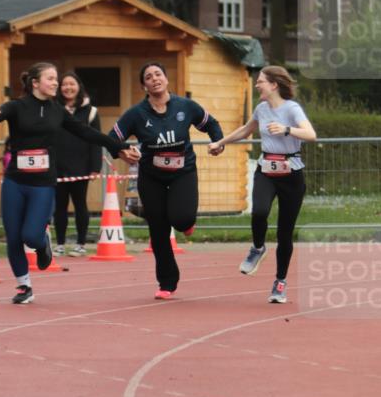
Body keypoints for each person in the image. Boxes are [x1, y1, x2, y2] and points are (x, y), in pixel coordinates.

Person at [0, 62, 138, 304]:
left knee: (31, 236)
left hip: (43, 184)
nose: (56, 83)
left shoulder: (58, 112)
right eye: (50, 78)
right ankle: (24, 286)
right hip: (15, 181)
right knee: (14, 237)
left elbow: (86, 132)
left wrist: (118, 148)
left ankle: (43, 242)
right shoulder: (17, 106)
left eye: (57, 78)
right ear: (35, 83)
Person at [110, 62, 223, 300]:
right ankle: (167, 283)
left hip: (183, 172)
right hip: (151, 177)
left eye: (158, 74)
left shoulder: (186, 106)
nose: (154, 79)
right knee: (159, 230)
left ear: (166, 79)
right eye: (149, 77)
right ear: (145, 85)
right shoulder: (136, 114)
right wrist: (121, 151)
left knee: (181, 219)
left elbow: (211, 124)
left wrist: (217, 142)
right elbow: (113, 138)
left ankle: (186, 223)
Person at [209, 65, 316, 304]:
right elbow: (246, 130)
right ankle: (258, 248)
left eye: (260, 82)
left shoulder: (292, 108)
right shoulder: (261, 109)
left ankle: (280, 283)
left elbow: (311, 134)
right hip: (266, 169)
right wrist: (220, 142)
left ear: (274, 85)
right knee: (259, 212)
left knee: (284, 233)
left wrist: (287, 129)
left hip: (291, 175)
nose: (257, 85)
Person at [53, 71, 100, 257]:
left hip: (81, 166)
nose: (68, 88)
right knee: (60, 207)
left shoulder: (91, 111)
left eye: (72, 84)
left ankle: (81, 244)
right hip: (57, 166)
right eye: (64, 84)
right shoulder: (53, 108)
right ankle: (60, 244)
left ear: (79, 86)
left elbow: (96, 140)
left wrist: (95, 167)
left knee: (80, 205)